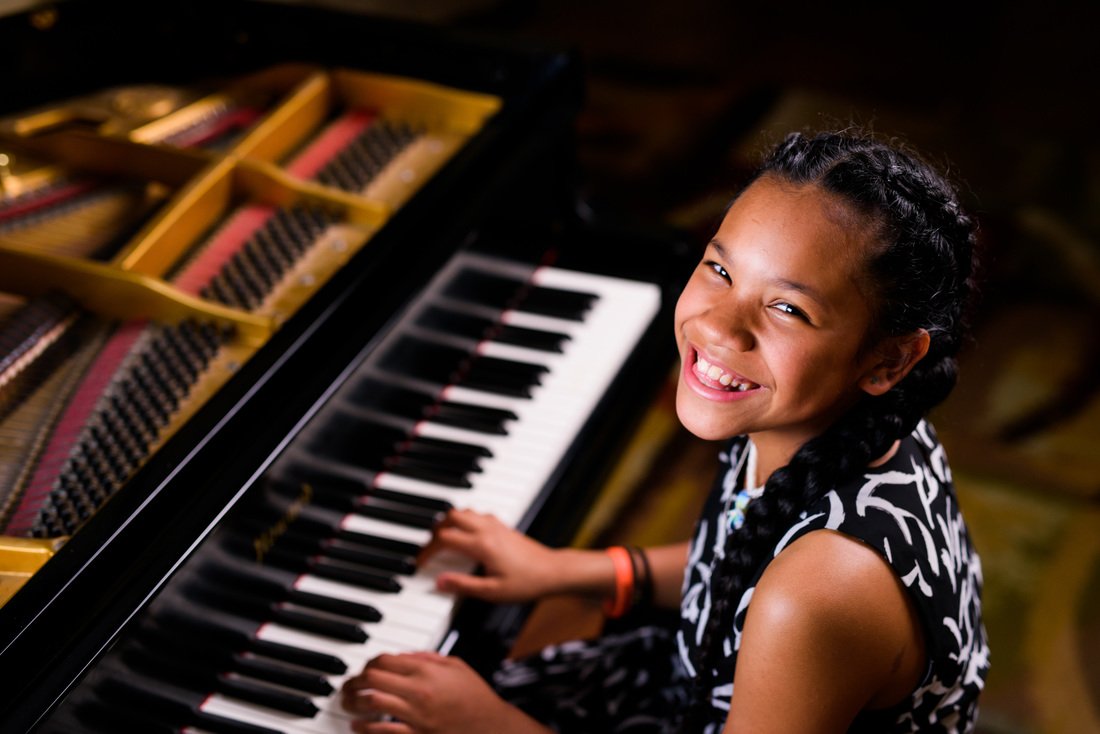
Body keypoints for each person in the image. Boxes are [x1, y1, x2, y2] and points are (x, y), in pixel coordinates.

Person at [340, 129, 991, 733]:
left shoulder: (819, 593)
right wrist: (573, 571)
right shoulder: (854, 428)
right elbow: (743, 548)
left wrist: (491, 726)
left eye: (788, 308)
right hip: (694, 683)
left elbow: (787, 590)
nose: (719, 328)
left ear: (891, 359)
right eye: (719, 269)